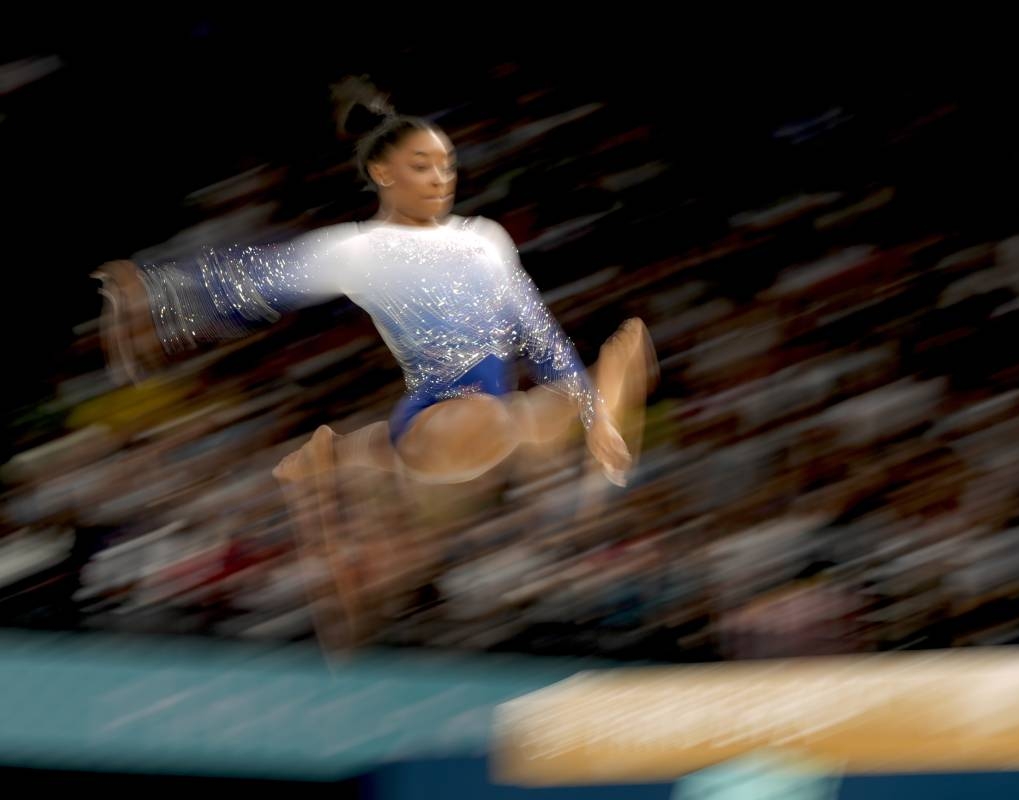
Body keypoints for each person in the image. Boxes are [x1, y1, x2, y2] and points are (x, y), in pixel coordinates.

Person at [92, 80, 657, 650]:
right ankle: (353, 463)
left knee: (542, 409)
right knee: (503, 422)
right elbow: (252, 279)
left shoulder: (486, 241)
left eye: (447, 165)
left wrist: (595, 414)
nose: (441, 179)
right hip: (438, 421)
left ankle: (341, 458)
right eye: (422, 166)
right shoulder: (359, 251)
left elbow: (538, 331)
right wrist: (150, 293)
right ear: (385, 174)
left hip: (479, 424)